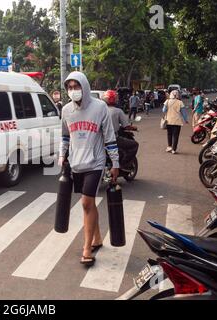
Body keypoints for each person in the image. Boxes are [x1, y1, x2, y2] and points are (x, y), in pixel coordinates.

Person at [58, 71, 119, 267]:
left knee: (86, 203)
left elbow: (109, 137)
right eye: (70, 87)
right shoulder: (66, 110)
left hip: (96, 162)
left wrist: (115, 163)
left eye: (76, 87)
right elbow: (65, 136)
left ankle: (86, 248)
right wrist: (62, 155)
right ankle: (98, 238)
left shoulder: (100, 107)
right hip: (76, 163)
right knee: (89, 204)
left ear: (84, 87)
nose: (73, 91)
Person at [104, 90, 139, 168]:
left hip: (100, 140)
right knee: (135, 145)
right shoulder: (118, 111)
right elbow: (126, 126)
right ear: (114, 99)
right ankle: (123, 165)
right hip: (113, 138)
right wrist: (134, 128)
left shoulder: (100, 111)